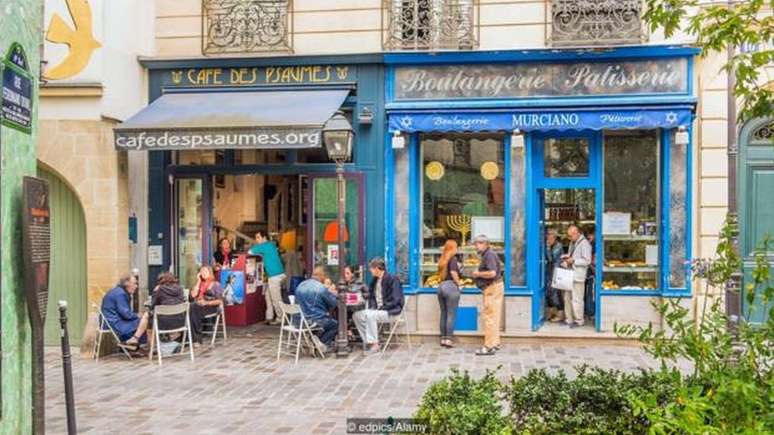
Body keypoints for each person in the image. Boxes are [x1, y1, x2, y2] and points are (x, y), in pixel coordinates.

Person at [353, 257, 404, 354]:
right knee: (356, 315)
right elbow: (371, 296)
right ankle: (369, 342)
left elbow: (396, 299)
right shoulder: (374, 281)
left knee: (370, 315)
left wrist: (381, 308)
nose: (370, 270)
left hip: (390, 311)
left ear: (377, 268)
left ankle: (375, 345)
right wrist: (372, 306)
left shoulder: (392, 279)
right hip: (378, 310)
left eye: (371, 268)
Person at [471, 235, 503, 356]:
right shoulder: (489, 254)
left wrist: (477, 274)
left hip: (492, 287)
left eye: (478, 243)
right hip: (496, 286)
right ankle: (495, 343)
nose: (476, 246)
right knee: (494, 316)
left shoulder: (489, 255)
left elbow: (492, 273)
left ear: (485, 244)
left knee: (489, 317)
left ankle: (489, 346)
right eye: (475, 244)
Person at [295, 266, 338, 352]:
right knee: (336, 324)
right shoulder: (320, 288)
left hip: (299, 321)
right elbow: (333, 303)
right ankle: (321, 343)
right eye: (324, 277)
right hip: (314, 321)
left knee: (326, 320)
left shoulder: (301, 285)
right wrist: (333, 293)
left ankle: (315, 341)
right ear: (322, 276)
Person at [101, 274, 149, 349]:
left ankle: (135, 346)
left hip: (110, 322)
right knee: (144, 321)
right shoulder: (120, 294)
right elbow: (126, 314)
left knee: (142, 321)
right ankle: (136, 344)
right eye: (134, 283)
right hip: (114, 324)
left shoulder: (118, 291)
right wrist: (138, 315)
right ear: (127, 284)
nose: (136, 286)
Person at [249, 231, 286, 325]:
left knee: (276, 299)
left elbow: (250, 251)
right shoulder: (270, 245)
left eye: (258, 237)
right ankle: (269, 317)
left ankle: (280, 318)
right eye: (256, 238)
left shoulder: (265, 245)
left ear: (264, 237)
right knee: (268, 295)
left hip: (274, 276)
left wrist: (259, 251)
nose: (256, 240)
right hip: (277, 274)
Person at [560, 225, 592, 328]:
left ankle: (579, 320)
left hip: (578, 275)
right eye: (568, 236)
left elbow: (587, 261)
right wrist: (567, 258)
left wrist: (573, 261)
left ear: (576, 233)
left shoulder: (585, 244)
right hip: (570, 274)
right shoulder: (573, 242)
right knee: (567, 298)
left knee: (577, 299)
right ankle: (569, 319)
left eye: (570, 236)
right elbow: (572, 255)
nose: (569, 238)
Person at [189, 265, 224, 344]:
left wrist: (206, 302)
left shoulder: (215, 284)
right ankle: (191, 338)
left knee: (193, 308)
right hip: (197, 307)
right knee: (191, 307)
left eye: (205, 271)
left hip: (210, 307)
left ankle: (196, 339)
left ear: (210, 272)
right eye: (201, 272)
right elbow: (193, 295)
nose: (203, 273)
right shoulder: (199, 284)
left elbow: (220, 301)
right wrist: (198, 281)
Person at [437, 240, 461, 348]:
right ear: (452, 248)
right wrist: (459, 284)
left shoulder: (442, 259)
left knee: (443, 313)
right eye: (456, 247)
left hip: (441, 286)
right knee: (451, 314)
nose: (457, 249)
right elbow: (453, 273)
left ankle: (442, 338)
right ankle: (448, 339)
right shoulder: (453, 259)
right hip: (451, 287)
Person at [545, 229, 565, 322]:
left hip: (556, 271)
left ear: (554, 236)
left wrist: (548, 247)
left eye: (549, 234)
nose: (547, 236)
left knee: (556, 293)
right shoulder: (550, 244)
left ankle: (560, 314)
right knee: (549, 292)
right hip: (549, 271)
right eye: (547, 234)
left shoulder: (558, 246)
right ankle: (551, 313)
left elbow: (551, 259)